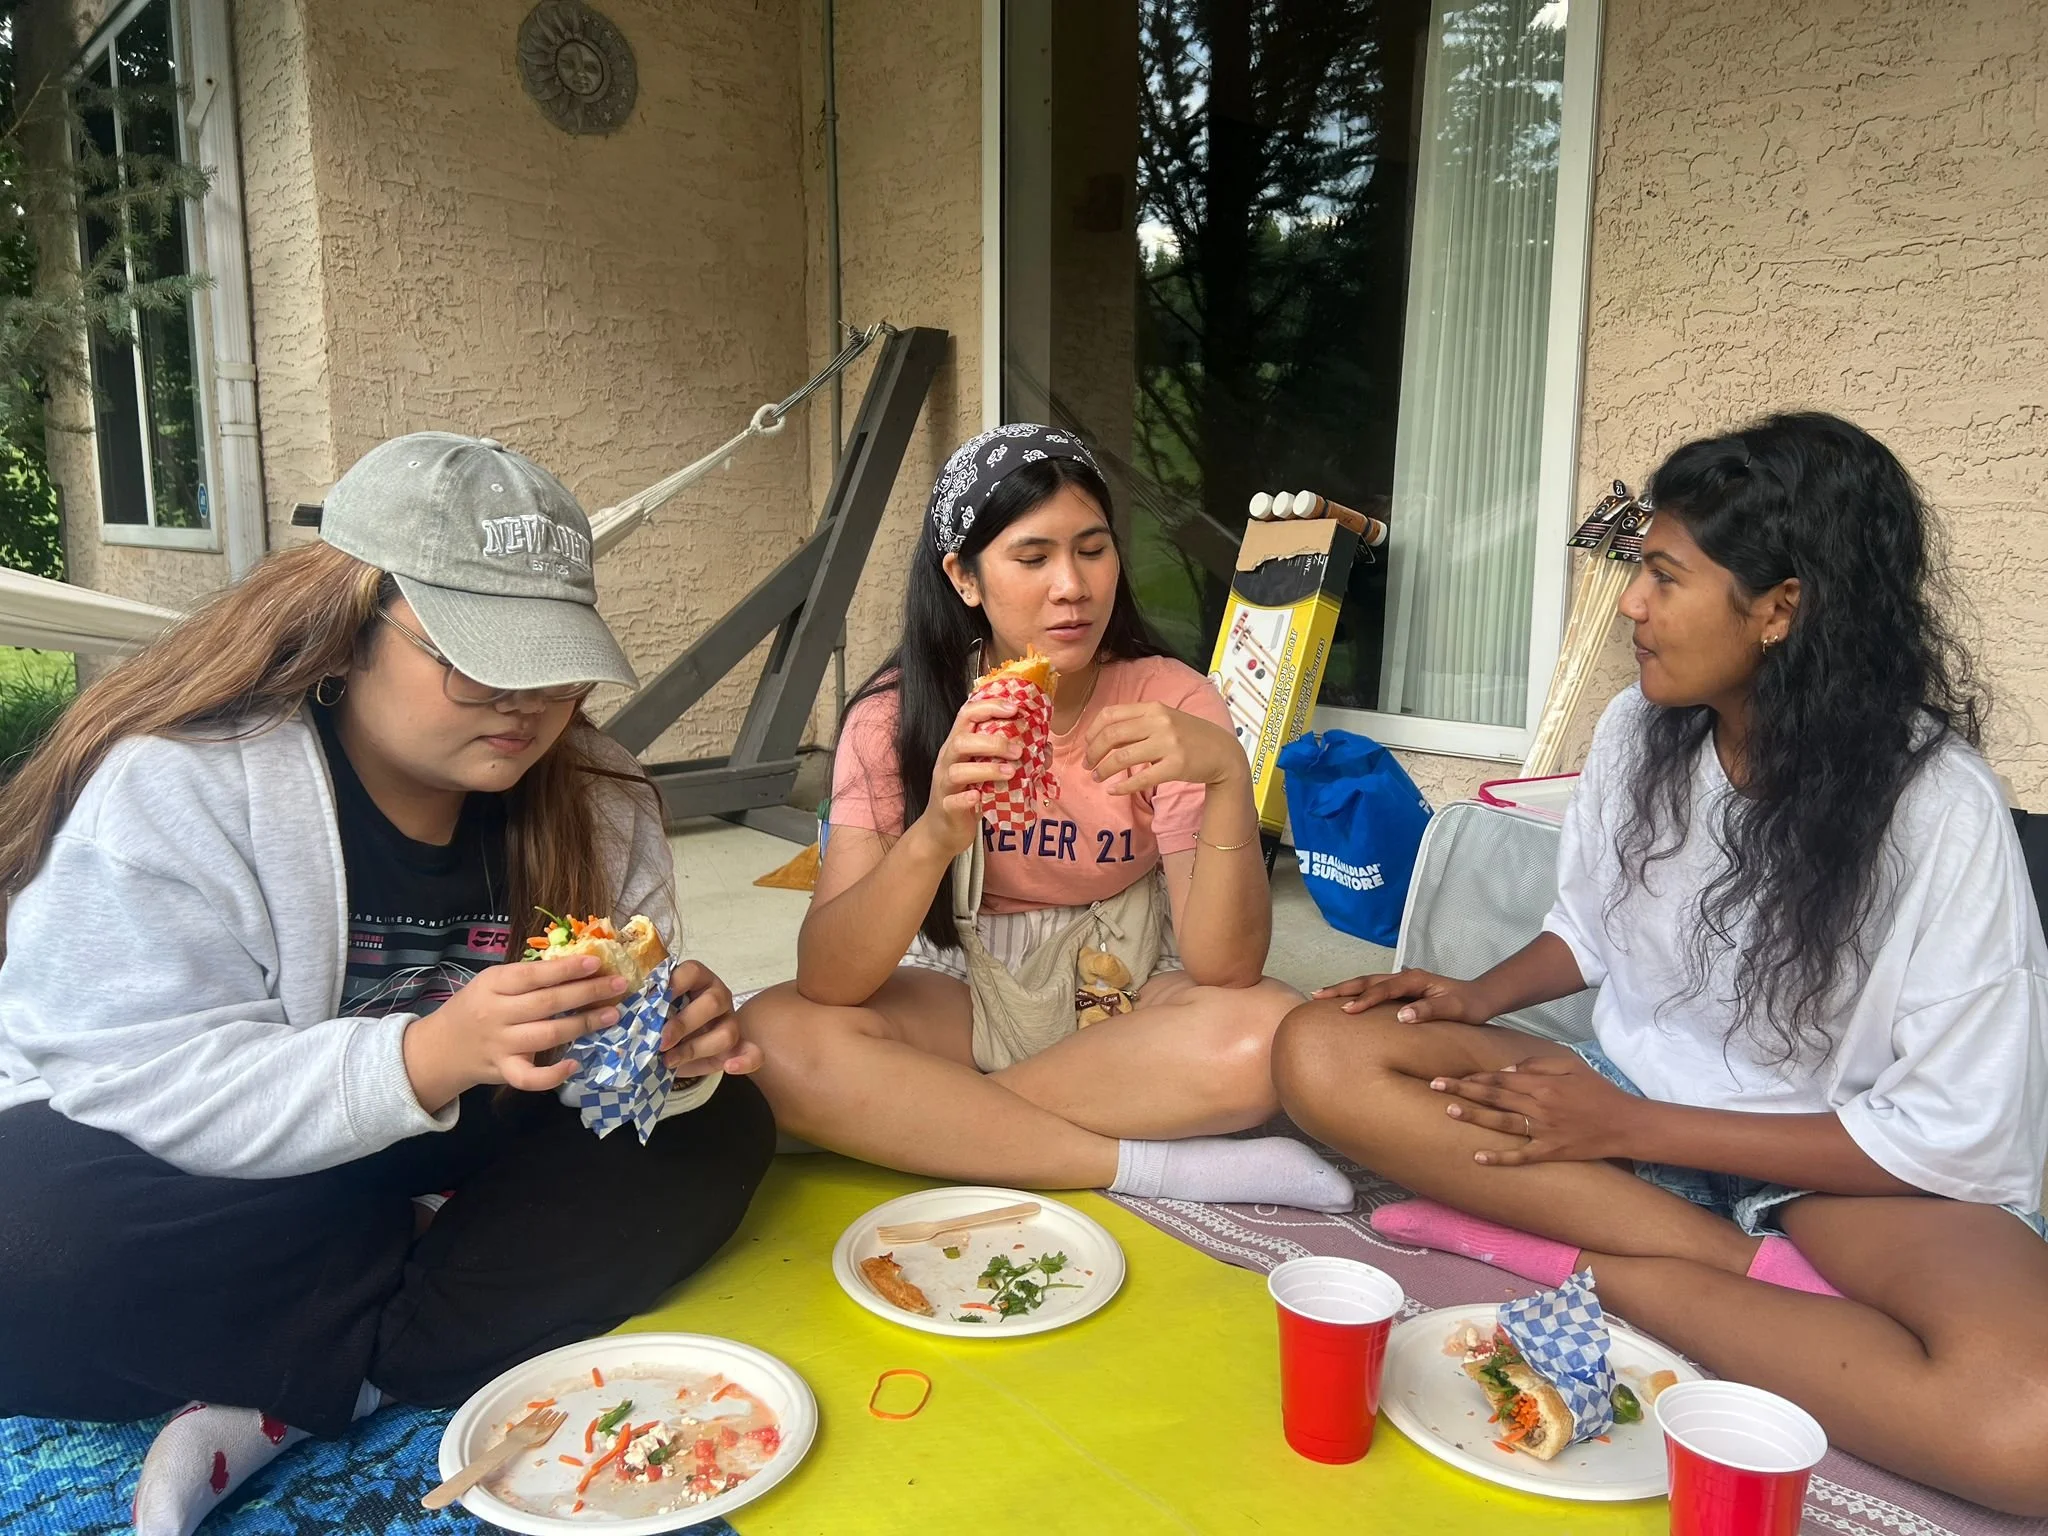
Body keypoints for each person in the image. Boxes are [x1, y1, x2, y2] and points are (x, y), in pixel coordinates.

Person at [1272, 412, 2048, 1515]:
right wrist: (1473, 995)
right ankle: (1735, 1278)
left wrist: (1627, 1132)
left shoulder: (1936, 807)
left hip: (1840, 1162)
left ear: (1779, 607)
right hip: (1625, 1107)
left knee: (2029, 1426)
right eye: (1640, 568)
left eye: (1664, 577)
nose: (1630, 603)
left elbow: (1961, 1129)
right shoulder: (1644, 728)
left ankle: (1584, 1263)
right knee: (1320, 1050)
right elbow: (1591, 932)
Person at [0, 434, 774, 1536]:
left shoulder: (600, 798)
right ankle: (404, 1332)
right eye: (472, 655)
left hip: (430, 1161)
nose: (524, 699)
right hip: (197, 1164)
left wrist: (660, 1056)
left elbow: (591, 1092)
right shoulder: (183, 784)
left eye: (553, 660)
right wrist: (427, 1055)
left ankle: (299, 1380)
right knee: (22, 1232)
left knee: (723, 1125)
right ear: (346, 630)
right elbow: (131, 1075)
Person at [741, 425, 1347, 1211]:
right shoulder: (898, 718)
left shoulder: (1172, 699)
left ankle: (909, 1119)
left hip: (1126, 982)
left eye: (1093, 550)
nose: (1073, 586)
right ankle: (1150, 1165)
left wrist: (1230, 777)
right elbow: (829, 979)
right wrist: (935, 834)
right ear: (964, 577)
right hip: (962, 989)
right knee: (778, 1038)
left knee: (1269, 1032)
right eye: (1032, 559)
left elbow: (1225, 969)